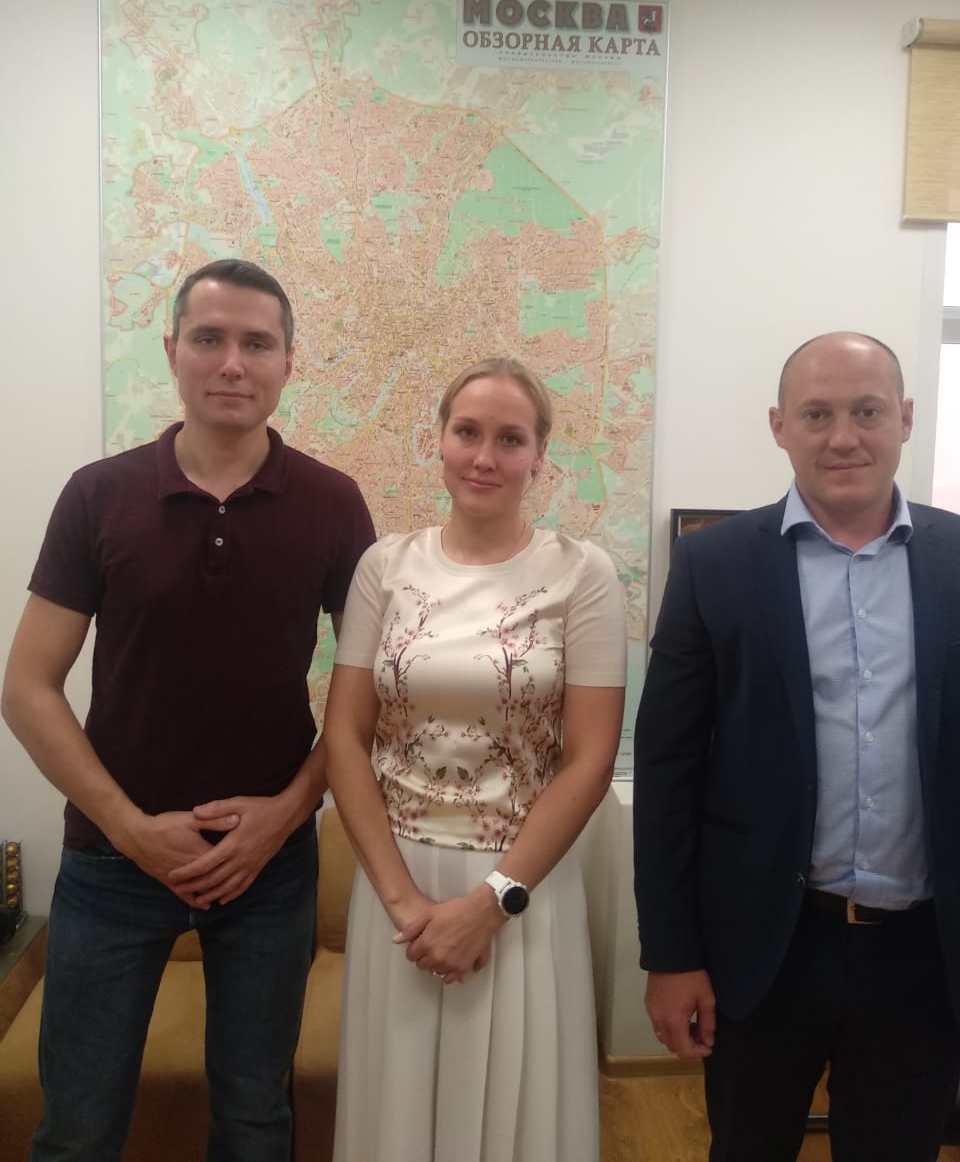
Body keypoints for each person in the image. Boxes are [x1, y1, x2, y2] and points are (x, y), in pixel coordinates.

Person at [1, 258, 375, 1162]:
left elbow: (368, 695)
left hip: (269, 869)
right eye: (209, 339)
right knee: (77, 1127)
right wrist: (132, 830)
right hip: (110, 865)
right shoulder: (98, 495)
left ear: (289, 363)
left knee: (254, 1120)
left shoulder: (334, 504)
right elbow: (27, 687)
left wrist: (284, 815)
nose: (233, 363)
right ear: (172, 351)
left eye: (257, 343)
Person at [633, 331, 960, 1162]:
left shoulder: (958, 559)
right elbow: (669, 772)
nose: (843, 436)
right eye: (817, 414)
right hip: (765, 951)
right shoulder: (713, 565)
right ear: (779, 426)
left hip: (923, 957)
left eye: (866, 412)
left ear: (905, 419)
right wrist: (670, 955)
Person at [323, 356, 626, 1162]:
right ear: (439, 440)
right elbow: (344, 736)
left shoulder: (582, 574)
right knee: (398, 1104)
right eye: (467, 432)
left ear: (539, 456)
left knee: (514, 1111)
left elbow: (591, 760)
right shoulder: (385, 567)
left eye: (510, 438)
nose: (485, 457)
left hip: (522, 884)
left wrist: (491, 904)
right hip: (397, 882)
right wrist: (402, 904)